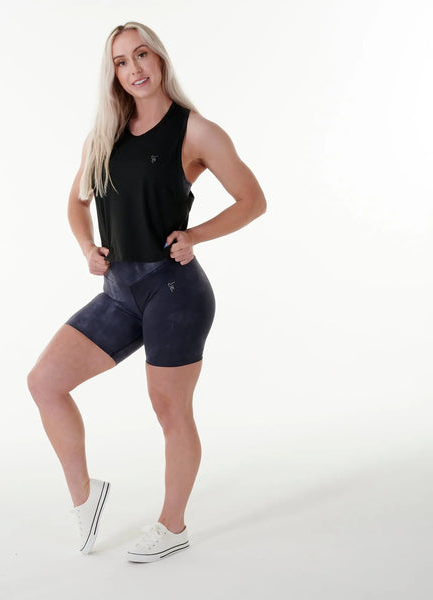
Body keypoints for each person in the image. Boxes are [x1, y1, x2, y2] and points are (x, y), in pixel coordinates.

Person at [27, 21, 266, 563]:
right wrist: (86, 247)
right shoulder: (104, 135)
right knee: (45, 382)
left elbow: (253, 200)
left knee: (170, 411)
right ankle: (85, 497)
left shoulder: (195, 131)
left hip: (174, 291)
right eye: (121, 61)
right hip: (118, 292)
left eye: (141, 55)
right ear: (112, 73)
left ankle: (172, 525)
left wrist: (195, 235)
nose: (133, 69)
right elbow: (77, 203)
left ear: (159, 59)